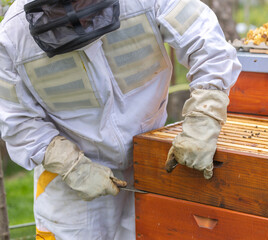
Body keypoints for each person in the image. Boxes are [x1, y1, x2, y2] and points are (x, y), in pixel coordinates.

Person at [0, 0, 241, 239]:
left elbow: (208, 45)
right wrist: (70, 165)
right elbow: (16, 119)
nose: (79, 18)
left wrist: (204, 118)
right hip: (70, 185)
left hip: (151, 162)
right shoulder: (12, 36)